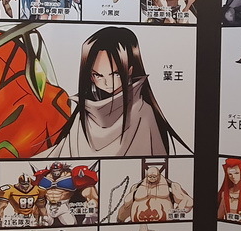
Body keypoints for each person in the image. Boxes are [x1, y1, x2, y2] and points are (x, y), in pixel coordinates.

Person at [48, 27, 190, 157]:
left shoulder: (143, 113)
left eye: (115, 74)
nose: (107, 83)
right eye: (98, 75)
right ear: (90, 76)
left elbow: (154, 165)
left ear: (130, 70)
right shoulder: (85, 113)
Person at [117, 163, 192, 223]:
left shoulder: (172, 187)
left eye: (154, 176)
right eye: (150, 176)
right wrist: (120, 221)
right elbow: (126, 207)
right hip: (138, 224)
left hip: (165, 225)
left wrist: (174, 216)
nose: (152, 178)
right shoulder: (136, 187)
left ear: (158, 175)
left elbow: (189, 203)